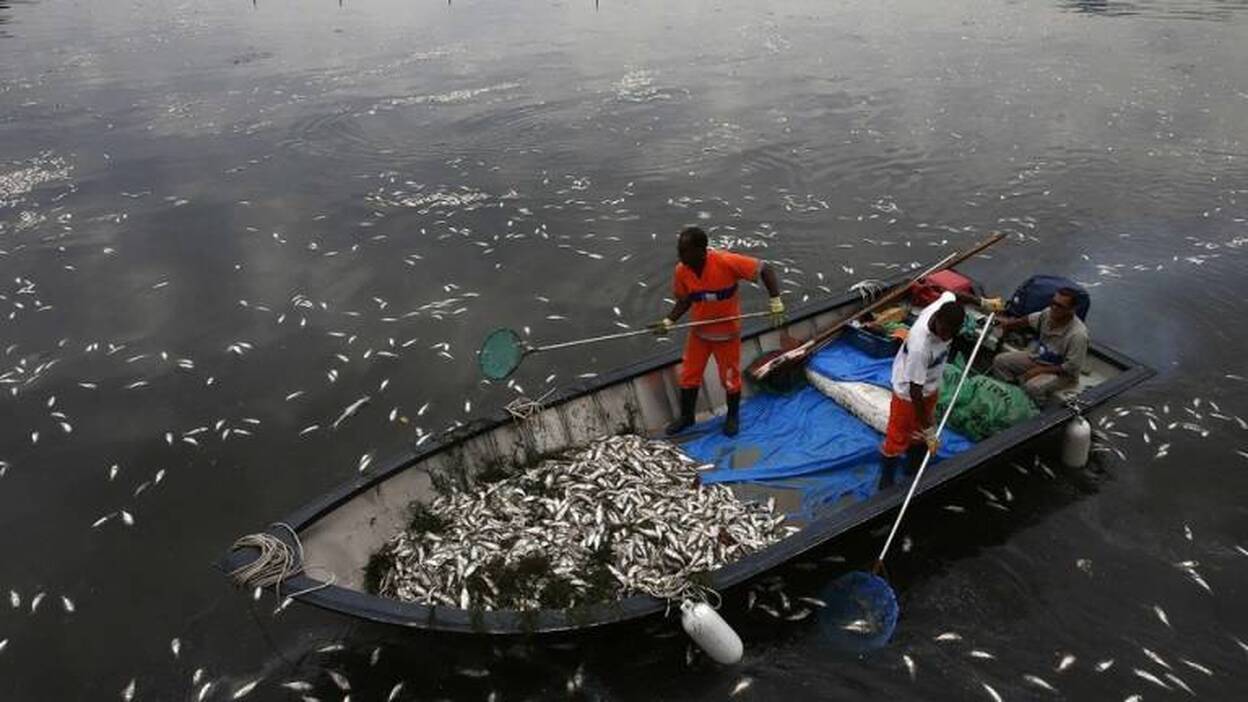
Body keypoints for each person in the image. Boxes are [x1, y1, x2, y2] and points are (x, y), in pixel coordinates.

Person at [650, 226, 784, 437]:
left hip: (727, 334)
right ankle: (687, 417)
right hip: (699, 333)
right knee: (689, 376)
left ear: (701, 250)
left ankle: (732, 417)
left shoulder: (725, 262)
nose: (680, 255)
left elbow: (765, 269)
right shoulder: (681, 271)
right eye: (679, 250)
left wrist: (775, 301)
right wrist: (669, 321)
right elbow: (685, 300)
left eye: (685, 251)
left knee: (729, 378)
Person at [878, 291, 966, 489]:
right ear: (937, 319)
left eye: (951, 333)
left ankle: (913, 468)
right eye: (943, 331)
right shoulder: (920, 347)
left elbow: (951, 294)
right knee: (898, 437)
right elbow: (914, 391)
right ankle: (886, 480)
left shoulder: (944, 308)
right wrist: (928, 428)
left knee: (919, 434)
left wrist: (983, 302)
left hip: (931, 385)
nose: (945, 337)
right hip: (908, 396)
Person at [990, 287, 1089, 404]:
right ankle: (1008, 397)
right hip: (1039, 358)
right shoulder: (1047, 314)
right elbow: (1027, 320)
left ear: (1072, 310)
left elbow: (1071, 367)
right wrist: (1007, 324)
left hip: (1063, 374)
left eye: (1060, 306)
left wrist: (1039, 370)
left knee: (1033, 387)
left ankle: (1035, 411)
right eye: (1053, 303)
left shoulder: (1078, 335)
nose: (1054, 308)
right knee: (1000, 361)